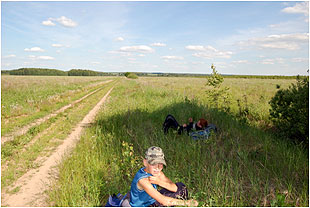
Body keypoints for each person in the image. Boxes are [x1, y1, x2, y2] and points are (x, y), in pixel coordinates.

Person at [122, 146, 198, 207]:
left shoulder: (157, 172)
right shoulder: (143, 180)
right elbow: (163, 201)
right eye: (153, 164)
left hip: (153, 201)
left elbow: (174, 188)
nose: (157, 168)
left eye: (160, 164)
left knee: (181, 187)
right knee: (167, 202)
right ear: (145, 162)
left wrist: (159, 182)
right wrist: (187, 203)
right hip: (145, 206)